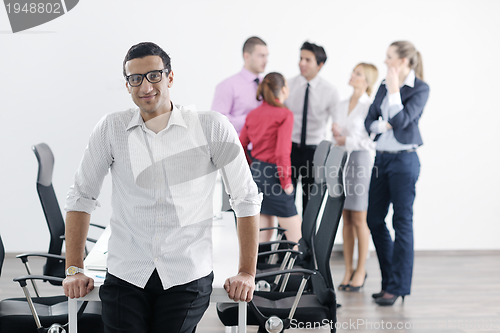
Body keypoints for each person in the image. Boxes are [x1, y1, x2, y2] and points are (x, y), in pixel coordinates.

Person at [62, 42, 262, 333]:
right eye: (135, 78)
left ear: (170, 77)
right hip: (126, 272)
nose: (145, 86)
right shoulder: (111, 129)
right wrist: (74, 269)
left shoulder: (211, 127)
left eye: (154, 75)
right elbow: (81, 195)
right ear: (127, 85)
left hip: (186, 273)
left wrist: (246, 272)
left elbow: (245, 198)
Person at [364, 41, 429, 306]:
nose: (385, 61)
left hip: (404, 162)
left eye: (389, 57)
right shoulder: (381, 84)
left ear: (403, 61)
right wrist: (385, 124)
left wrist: (393, 93)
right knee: (374, 219)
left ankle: (398, 287)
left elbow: (402, 122)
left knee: (402, 222)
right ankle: (389, 281)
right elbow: (369, 121)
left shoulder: (420, 89)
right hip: (381, 159)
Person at [240, 72, 302, 245]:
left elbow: (241, 145)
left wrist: (254, 166)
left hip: (257, 175)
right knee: (298, 240)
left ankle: (257, 272)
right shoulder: (285, 114)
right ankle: (298, 272)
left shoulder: (253, 114)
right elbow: (282, 153)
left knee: (262, 238)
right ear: (283, 89)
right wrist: (287, 183)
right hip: (275, 176)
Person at [332, 63, 378, 292]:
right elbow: (339, 133)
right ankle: (348, 269)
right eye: (353, 72)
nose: (353, 76)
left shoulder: (370, 106)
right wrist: (336, 135)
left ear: (367, 81)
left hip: (360, 161)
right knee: (346, 218)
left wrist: (346, 140)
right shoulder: (341, 104)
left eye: (358, 74)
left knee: (360, 218)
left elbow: (371, 141)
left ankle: (361, 269)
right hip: (343, 160)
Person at [284, 41, 340, 214]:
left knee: (310, 201)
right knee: (286, 199)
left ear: (320, 65)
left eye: (308, 60)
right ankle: (285, 241)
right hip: (289, 149)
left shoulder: (330, 91)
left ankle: (307, 241)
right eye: (301, 58)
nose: (302, 63)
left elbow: (336, 125)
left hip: (315, 152)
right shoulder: (287, 85)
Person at [211, 36, 268, 135]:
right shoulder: (227, 86)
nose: (266, 60)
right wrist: (252, 118)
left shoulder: (267, 84)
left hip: (264, 147)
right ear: (247, 56)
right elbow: (216, 123)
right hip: (239, 147)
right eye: (261, 56)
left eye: (266, 56)